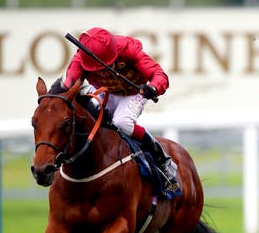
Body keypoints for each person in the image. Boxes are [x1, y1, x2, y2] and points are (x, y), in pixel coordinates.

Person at [63, 27, 178, 191]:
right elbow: (69, 84)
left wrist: (152, 87)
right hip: (105, 93)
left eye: (104, 67)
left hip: (134, 93)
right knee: (84, 115)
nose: (102, 74)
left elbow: (158, 75)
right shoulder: (80, 59)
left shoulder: (128, 49)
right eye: (96, 70)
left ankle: (162, 159)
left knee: (122, 122)